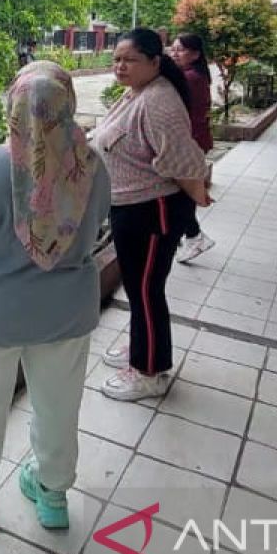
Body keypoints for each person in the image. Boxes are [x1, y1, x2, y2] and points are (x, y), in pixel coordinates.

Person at [0, 62, 109, 538]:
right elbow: (95, 229)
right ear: (68, 103)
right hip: (67, 313)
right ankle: (52, 494)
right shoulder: (93, 165)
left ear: (14, 105)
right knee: (59, 406)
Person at [93, 29, 210, 401]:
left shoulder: (158, 101)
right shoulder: (138, 92)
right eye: (116, 59)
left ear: (155, 63)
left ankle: (150, 371)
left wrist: (196, 195)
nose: (120, 66)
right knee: (138, 287)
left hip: (153, 210)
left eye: (129, 60)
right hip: (132, 207)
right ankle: (139, 346)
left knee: (146, 290)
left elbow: (183, 160)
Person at [168, 33, 216, 263]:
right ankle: (188, 235)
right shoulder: (195, 75)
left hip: (191, 141)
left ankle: (194, 236)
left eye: (180, 49)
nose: (174, 52)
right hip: (194, 139)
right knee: (180, 192)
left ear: (195, 54)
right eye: (173, 48)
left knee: (180, 194)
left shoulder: (190, 77)